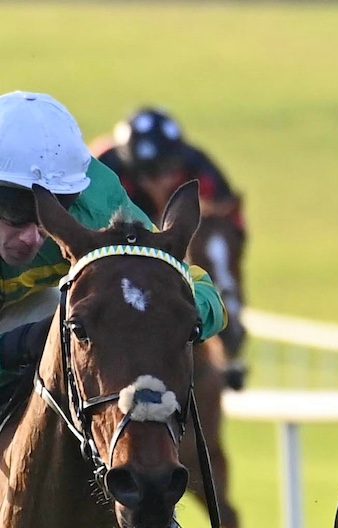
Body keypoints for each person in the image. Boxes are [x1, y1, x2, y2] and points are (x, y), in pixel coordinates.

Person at [0, 91, 227, 528]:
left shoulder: (97, 196)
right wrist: (21, 347)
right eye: (14, 213)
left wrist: (189, 313)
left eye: (48, 211)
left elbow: (189, 285)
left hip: (64, 322)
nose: (33, 237)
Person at [95, 106, 251, 389]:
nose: (164, 180)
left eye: (168, 170)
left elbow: (231, 224)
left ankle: (226, 353)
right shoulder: (104, 167)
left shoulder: (198, 167)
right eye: (153, 175)